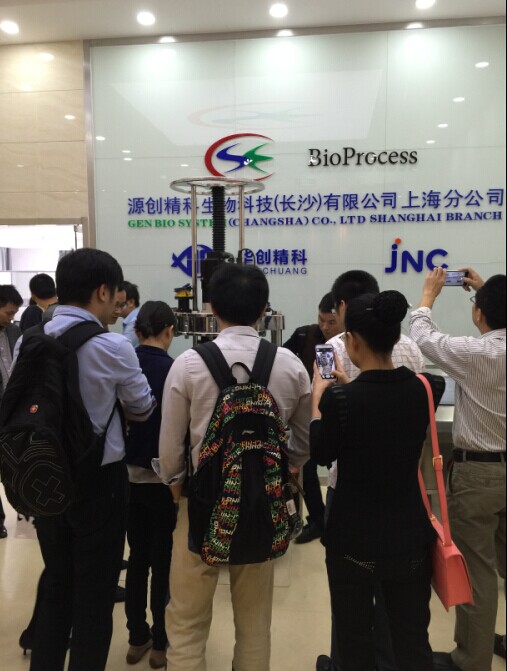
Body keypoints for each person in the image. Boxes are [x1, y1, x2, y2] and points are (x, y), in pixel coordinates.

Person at [158, 264, 311, 671]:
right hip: (264, 503)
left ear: (211, 307)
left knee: (186, 619)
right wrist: (289, 471)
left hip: (200, 502)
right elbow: (303, 440)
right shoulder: (289, 364)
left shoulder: (188, 364)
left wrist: (176, 487)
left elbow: (170, 448)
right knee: (255, 622)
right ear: (263, 309)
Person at [22, 248, 155, 671]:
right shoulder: (112, 345)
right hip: (99, 482)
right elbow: (142, 408)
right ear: (102, 291)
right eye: (115, 293)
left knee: (57, 585)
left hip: (43, 476)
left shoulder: (30, 340)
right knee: (95, 596)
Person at [312, 290, 445, 671]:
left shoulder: (340, 401)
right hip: (409, 534)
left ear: (352, 341)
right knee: (411, 637)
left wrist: (320, 398)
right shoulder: (428, 388)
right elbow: (387, 405)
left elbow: (321, 453)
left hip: (354, 537)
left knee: (353, 638)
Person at [410, 268, 506, 671]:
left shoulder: (478, 354)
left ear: (479, 313)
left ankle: (471, 659)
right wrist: (486, 291)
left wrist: (428, 297)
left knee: (478, 570)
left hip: (479, 476)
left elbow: (424, 338)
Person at [124, 301, 178, 669]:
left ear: (137, 330)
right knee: (163, 561)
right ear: (169, 331)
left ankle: (136, 637)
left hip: (127, 478)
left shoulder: (124, 364)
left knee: (137, 558)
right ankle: (160, 643)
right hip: (163, 482)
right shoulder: (174, 370)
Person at [283, 292, 340, 544]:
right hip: (309, 414)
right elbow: (280, 359)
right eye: (321, 320)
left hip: (340, 413)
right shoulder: (304, 335)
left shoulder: (351, 342)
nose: (325, 327)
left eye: (331, 322)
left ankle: (336, 519)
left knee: (339, 469)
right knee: (307, 470)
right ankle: (317, 520)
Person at [0, 284, 23, 538]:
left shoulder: (15, 331)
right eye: (8, 313)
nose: (11, 318)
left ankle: (24, 506)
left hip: (13, 410)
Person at [121, 281, 141, 347]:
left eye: (120, 304)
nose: (115, 307)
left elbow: (123, 349)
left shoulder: (134, 322)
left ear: (131, 302)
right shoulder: (136, 317)